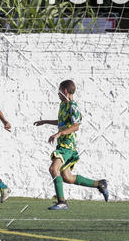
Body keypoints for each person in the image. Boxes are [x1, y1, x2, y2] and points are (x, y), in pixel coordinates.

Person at [34, 79, 108, 210]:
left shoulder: (73, 106)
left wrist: (59, 134)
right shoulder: (63, 105)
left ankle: (61, 202)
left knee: (53, 169)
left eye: (59, 91)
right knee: (67, 177)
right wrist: (45, 121)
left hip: (68, 146)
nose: (58, 94)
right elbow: (62, 122)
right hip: (62, 145)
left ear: (65, 91)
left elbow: (75, 126)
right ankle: (99, 184)